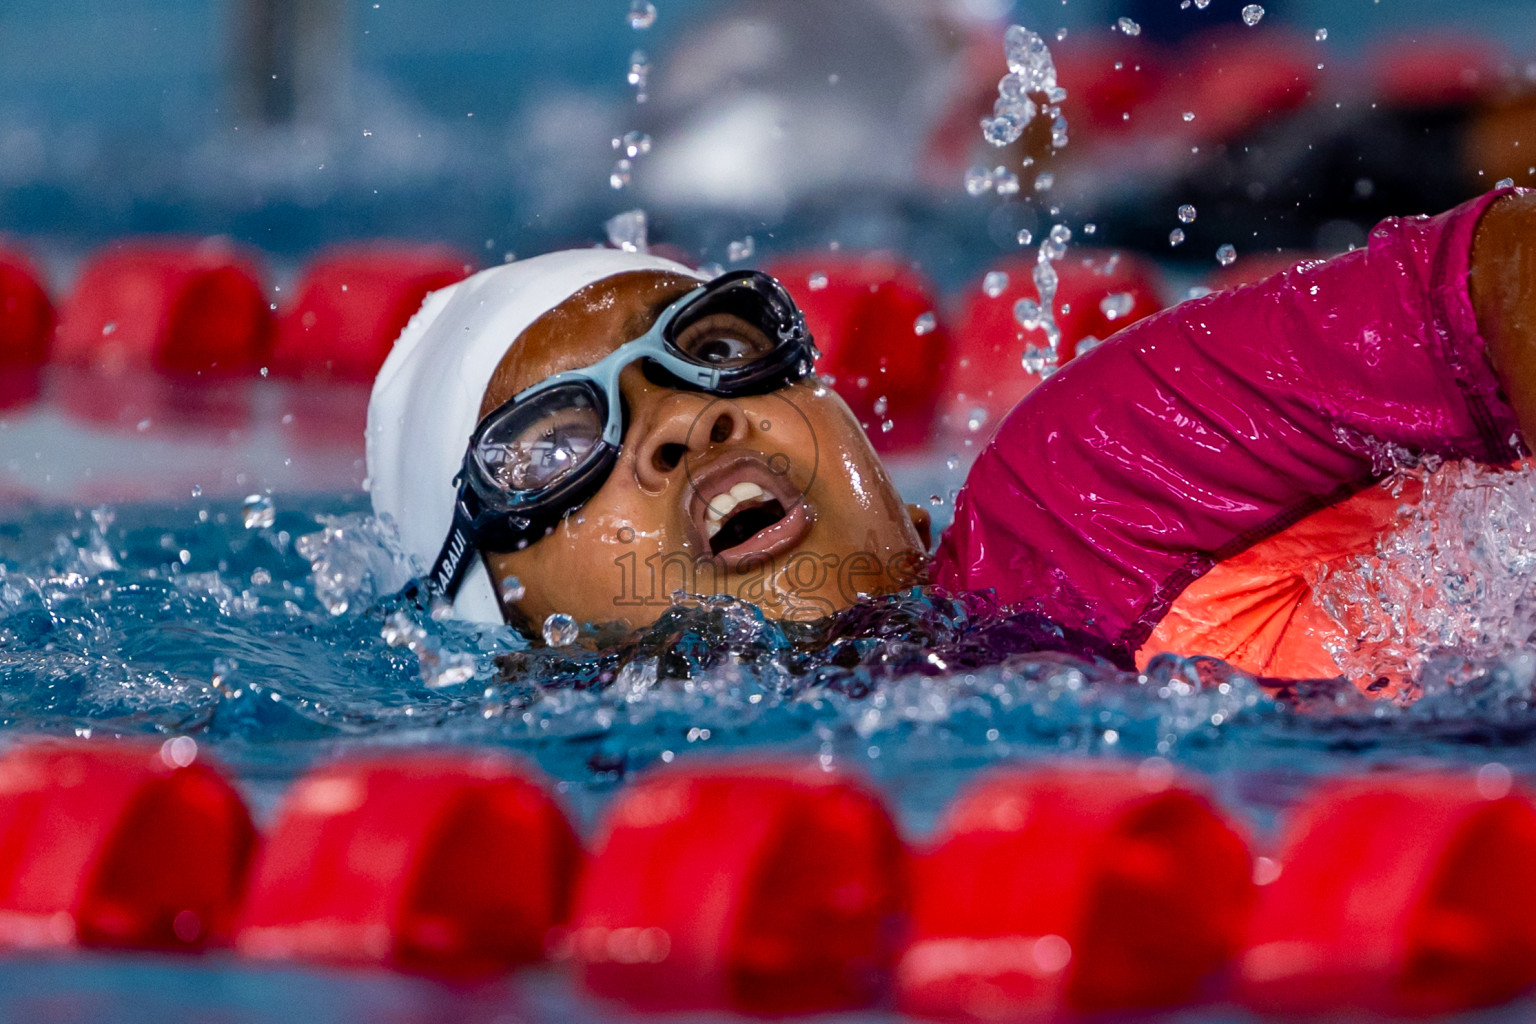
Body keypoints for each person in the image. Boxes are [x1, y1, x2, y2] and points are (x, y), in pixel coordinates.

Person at [366, 186, 1536, 692]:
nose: (682, 418)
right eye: (551, 444)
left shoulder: (1078, 493)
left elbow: (1508, 282)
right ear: (505, 638)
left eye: (715, 343)